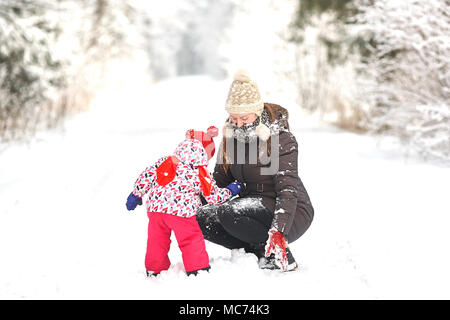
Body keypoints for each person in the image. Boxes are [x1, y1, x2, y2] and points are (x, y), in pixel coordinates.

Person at [197, 70, 314, 271]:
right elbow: (219, 180)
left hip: (289, 210)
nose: (238, 123)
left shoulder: (281, 138)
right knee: (200, 216)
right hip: (250, 206)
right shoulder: (231, 137)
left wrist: (279, 230)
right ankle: (257, 251)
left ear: (257, 111)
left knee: (229, 212)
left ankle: (279, 252)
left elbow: (288, 191)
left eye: (244, 118)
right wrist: (189, 196)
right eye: (233, 118)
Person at [125, 126, 241, 277]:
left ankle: (155, 269)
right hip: (181, 213)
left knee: (157, 240)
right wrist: (231, 190)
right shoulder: (199, 172)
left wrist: (136, 194)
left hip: (156, 211)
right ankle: (197, 269)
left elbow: (146, 176)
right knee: (190, 239)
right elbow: (214, 197)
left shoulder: (165, 160)